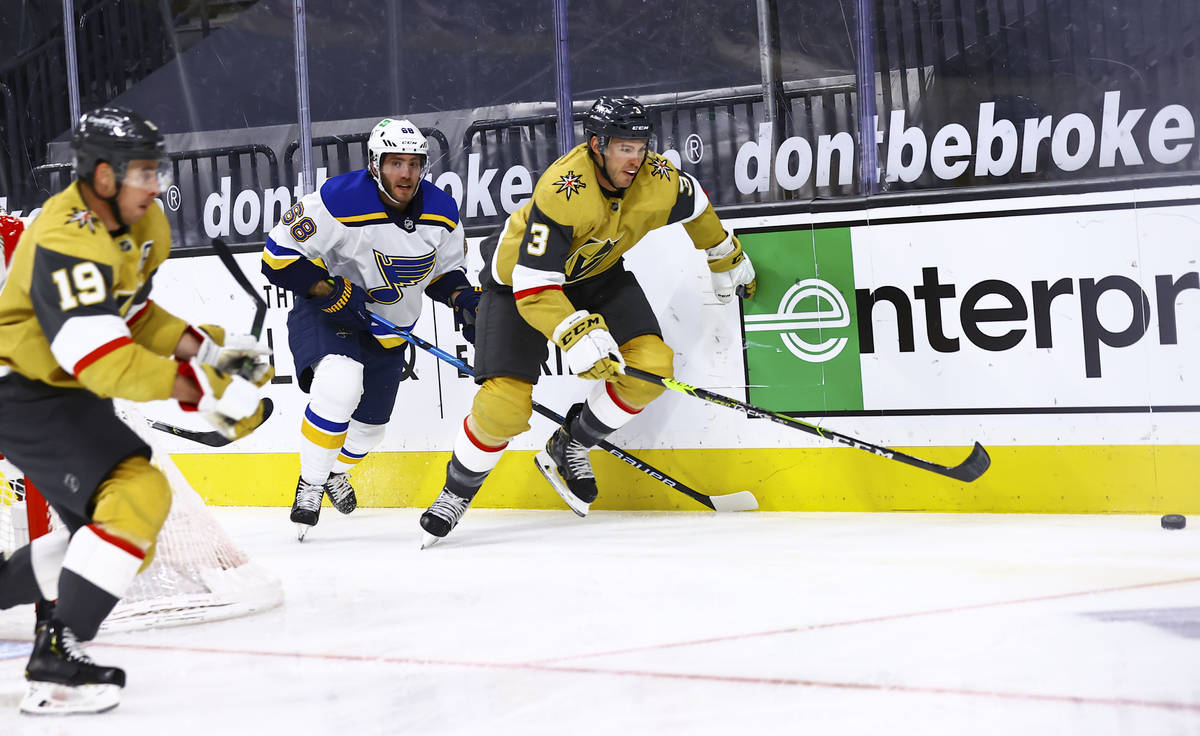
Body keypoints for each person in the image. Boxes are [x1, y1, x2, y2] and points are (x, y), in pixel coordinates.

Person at [0, 106, 272, 715]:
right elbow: (100, 361)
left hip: (59, 390)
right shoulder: (64, 237)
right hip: (22, 389)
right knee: (139, 494)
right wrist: (199, 386)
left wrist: (212, 353)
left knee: (121, 536)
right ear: (100, 174)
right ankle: (55, 660)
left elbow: (136, 317)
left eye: (156, 170)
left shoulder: (143, 224)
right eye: (141, 172)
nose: (155, 184)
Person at [419, 95, 756, 544]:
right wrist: (575, 331)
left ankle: (572, 443)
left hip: (597, 273)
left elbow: (695, 205)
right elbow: (535, 286)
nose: (635, 159)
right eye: (623, 148)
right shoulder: (564, 190)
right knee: (503, 407)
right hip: (520, 284)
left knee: (652, 367)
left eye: (640, 147)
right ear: (596, 144)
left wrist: (721, 252)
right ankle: (456, 493)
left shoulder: (657, 178)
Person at [261, 117, 479, 540]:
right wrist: (328, 289)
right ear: (376, 164)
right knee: (339, 384)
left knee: (370, 429)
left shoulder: (442, 211)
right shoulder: (336, 201)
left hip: (390, 326)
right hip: (329, 314)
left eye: (414, 163)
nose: (406, 173)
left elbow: (444, 274)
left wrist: (464, 300)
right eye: (395, 163)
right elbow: (276, 257)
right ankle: (310, 483)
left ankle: (332, 473)